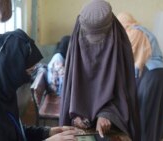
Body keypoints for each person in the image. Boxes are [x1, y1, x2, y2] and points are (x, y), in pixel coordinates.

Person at [0, 29, 79, 141]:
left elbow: (14, 132)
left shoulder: (2, 92)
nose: (29, 77)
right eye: (28, 72)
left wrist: (47, 132)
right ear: (7, 70)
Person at [59, 0, 140, 141]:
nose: (94, 44)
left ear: (111, 29)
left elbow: (122, 90)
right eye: (88, 37)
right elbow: (73, 85)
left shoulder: (120, 46)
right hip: (80, 121)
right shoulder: (76, 42)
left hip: (113, 123)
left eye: (101, 38)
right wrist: (76, 113)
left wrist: (107, 114)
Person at [117, 12, 163, 141]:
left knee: (145, 109)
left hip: (151, 73)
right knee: (156, 109)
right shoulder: (142, 30)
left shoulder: (135, 32)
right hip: (160, 73)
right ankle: (155, 136)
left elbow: (129, 56)